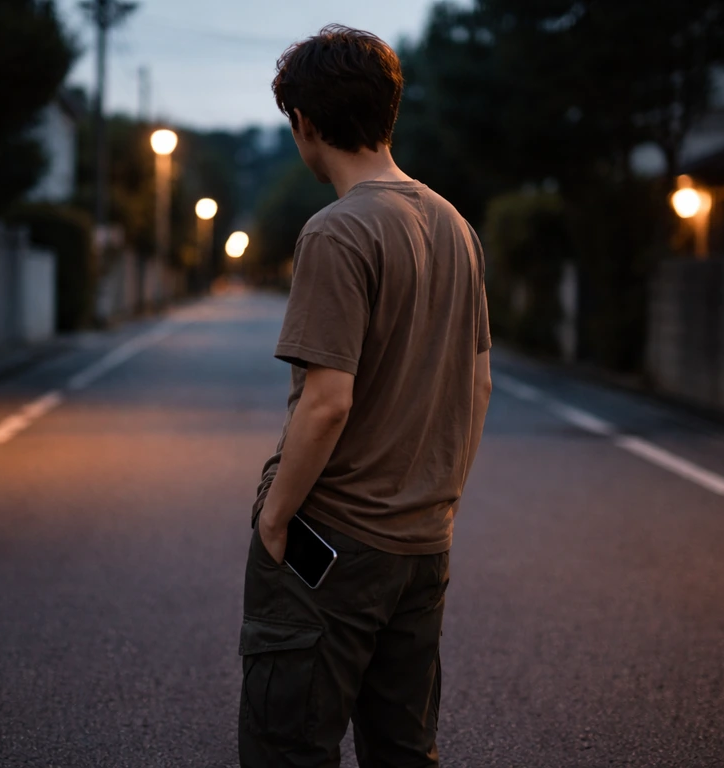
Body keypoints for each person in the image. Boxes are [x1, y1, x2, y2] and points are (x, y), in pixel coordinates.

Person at [239, 24, 493, 768]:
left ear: (305, 124)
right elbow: (478, 382)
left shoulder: (337, 232)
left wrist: (274, 519)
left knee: (289, 747)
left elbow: (328, 403)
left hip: (335, 542)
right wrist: (438, 501)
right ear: (388, 111)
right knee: (403, 750)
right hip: (423, 544)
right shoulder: (455, 227)